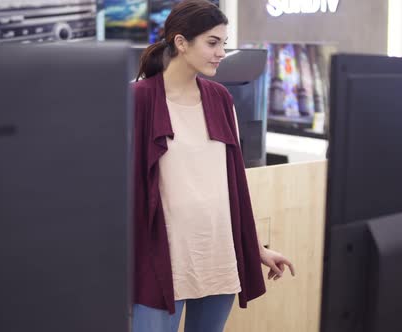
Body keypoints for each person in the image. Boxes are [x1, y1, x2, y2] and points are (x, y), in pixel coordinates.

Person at [132, 1, 295, 331]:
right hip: (160, 261)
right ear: (181, 43)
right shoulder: (138, 100)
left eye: (223, 42)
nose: (222, 52)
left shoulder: (221, 98)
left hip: (217, 256)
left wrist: (255, 248)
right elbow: (124, 192)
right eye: (212, 42)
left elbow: (233, 186)